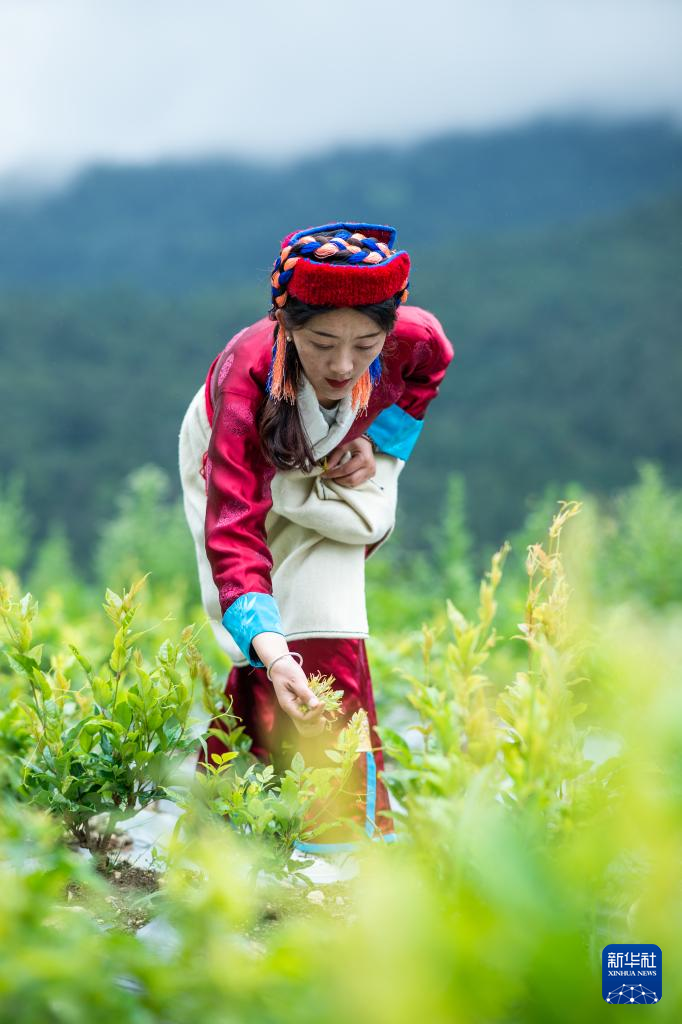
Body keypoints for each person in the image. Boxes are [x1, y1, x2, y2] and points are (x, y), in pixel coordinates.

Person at [178, 220, 454, 853]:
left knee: (322, 614)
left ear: (390, 329)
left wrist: (374, 441)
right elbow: (234, 531)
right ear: (284, 323)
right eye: (322, 342)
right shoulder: (246, 378)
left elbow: (429, 366)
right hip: (237, 459)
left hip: (334, 449)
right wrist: (274, 653)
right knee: (268, 636)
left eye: (366, 344)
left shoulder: (414, 338)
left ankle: (276, 831)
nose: (343, 364)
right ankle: (304, 832)